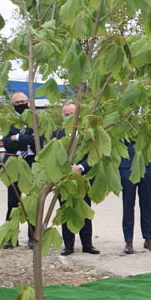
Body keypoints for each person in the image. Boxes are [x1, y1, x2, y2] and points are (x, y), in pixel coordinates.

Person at [54, 102, 99, 256]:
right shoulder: (57, 134)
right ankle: (69, 246)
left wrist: (80, 167)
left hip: (83, 179)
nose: (70, 117)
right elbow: (54, 158)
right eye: (66, 114)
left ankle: (87, 245)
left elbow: (92, 155)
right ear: (62, 116)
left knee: (84, 210)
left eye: (73, 114)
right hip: (64, 181)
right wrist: (68, 169)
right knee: (66, 211)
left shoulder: (87, 133)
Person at [2, 92, 37, 249]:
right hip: (13, 164)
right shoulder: (9, 121)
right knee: (13, 202)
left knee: (32, 202)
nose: (21, 104)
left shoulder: (35, 120)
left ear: (28, 102)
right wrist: (27, 140)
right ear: (12, 105)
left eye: (23, 101)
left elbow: (38, 141)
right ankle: (11, 237)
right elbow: (7, 144)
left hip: (31, 164)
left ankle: (33, 237)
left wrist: (17, 138)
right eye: (17, 103)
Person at [119, 142, 151, 254]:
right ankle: (128, 241)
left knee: (146, 203)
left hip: (147, 158)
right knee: (128, 203)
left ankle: (148, 239)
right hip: (127, 159)